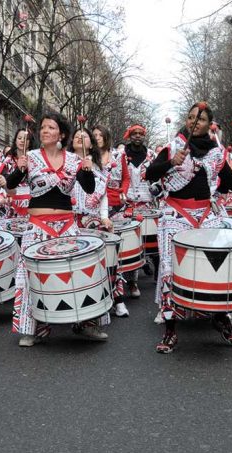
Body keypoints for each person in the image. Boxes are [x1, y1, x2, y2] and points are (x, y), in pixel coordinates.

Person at [145, 102, 232, 354]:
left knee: (216, 267)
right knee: (171, 268)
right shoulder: (173, 147)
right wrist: (171, 162)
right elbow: (150, 174)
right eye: (191, 117)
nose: (195, 122)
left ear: (208, 124)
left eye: (200, 119)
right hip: (175, 214)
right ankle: (171, 328)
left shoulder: (217, 153)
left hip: (206, 215)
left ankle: (219, 317)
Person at [5, 112, 107, 347]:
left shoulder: (73, 159)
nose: (44, 131)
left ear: (61, 133)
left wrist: (87, 169)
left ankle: (85, 323)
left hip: (67, 225)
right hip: (37, 226)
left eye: (50, 128)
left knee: (77, 275)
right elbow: (10, 184)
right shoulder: (29, 157)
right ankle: (33, 328)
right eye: (42, 128)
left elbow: (90, 188)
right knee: (31, 276)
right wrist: (19, 169)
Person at [70, 127, 128, 318]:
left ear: (91, 143)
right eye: (77, 136)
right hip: (71, 220)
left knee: (107, 261)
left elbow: (103, 195)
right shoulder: (65, 163)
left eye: (85, 136)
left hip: (95, 219)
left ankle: (117, 299)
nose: (80, 137)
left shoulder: (98, 167)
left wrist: (104, 216)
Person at [121, 124, 157, 297]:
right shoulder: (119, 155)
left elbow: (159, 178)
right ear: (129, 136)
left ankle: (157, 271)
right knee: (131, 244)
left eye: (140, 134)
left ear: (144, 136)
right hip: (126, 205)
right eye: (134, 134)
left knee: (151, 241)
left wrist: (157, 189)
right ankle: (133, 282)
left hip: (146, 203)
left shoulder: (152, 156)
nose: (137, 136)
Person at [0, 127, 35, 218]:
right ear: (15, 140)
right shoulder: (8, 160)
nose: (22, 141)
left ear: (30, 142)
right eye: (19, 138)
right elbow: (5, 181)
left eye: (26, 139)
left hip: (31, 203)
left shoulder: (35, 159)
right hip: (12, 202)